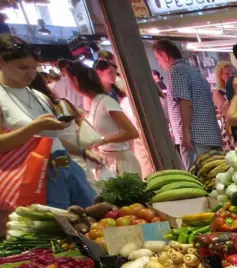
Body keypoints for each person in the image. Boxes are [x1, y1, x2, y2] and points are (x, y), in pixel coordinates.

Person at [0, 36, 94, 211]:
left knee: (93, 220)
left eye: (34, 68)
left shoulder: (39, 95)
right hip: (36, 174)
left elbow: (50, 139)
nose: (30, 74)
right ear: (2, 63)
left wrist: (81, 151)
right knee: (55, 231)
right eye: (22, 67)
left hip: (67, 166)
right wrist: (35, 127)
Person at [153, 39, 221, 168]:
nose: (159, 63)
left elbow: (185, 102)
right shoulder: (192, 70)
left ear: (164, 56)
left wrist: (185, 132)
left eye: (157, 58)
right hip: (210, 134)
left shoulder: (176, 71)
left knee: (199, 177)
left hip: (195, 138)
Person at [74, 65, 139, 178]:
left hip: (121, 160)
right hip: (108, 160)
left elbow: (132, 132)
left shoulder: (106, 102)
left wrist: (102, 140)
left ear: (75, 81)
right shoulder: (95, 102)